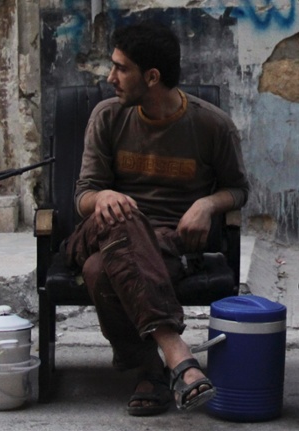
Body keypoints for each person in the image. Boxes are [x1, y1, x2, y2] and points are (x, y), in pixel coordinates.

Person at [63, 23, 249, 416]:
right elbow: (83, 196)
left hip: (168, 245)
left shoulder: (211, 125)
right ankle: (177, 353)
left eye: (120, 68)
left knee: (101, 270)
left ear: (151, 77)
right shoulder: (107, 116)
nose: (110, 77)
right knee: (122, 216)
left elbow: (237, 189)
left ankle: (150, 371)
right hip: (96, 231)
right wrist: (105, 196)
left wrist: (207, 205)